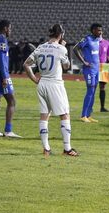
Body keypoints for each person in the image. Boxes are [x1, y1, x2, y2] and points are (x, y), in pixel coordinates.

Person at [23, 24, 78, 157]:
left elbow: (26, 64)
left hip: (42, 84)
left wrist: (35, 79)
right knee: (64, 114)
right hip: (55, 84)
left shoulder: (40, 47)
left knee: (44, 115)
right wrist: (64, 48)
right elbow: (66, 66)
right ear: (61, 35)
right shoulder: (61, 49)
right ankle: (67, 148)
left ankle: (46, 148)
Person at [0, 19, 20, 138]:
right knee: (11, 101)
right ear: (5, 28)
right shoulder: (2, 39)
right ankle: (8, 130)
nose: (10, 31)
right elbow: (1, 59)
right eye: (10, 28)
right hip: (0, 73)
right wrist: (5, 77)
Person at [74, 24, 102, 123]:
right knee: (90, 90)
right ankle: (83, 115)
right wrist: (84, 62)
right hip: (89, 70)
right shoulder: (86, 39)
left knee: (94, 91)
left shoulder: (98, 40)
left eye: (101, 30)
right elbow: (75, 48)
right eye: (98, 30)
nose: (100, 32)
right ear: (93, 30)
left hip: (96, 69)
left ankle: (89, 115)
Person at [98, 31, 109, 113]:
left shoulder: (106, 43)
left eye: (100, 32)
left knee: (102, 87)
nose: (99, 33)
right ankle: (89, 107)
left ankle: (102, 107)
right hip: (95, 66)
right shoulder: (94, 42)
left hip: (104, 66)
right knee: (92, 87)